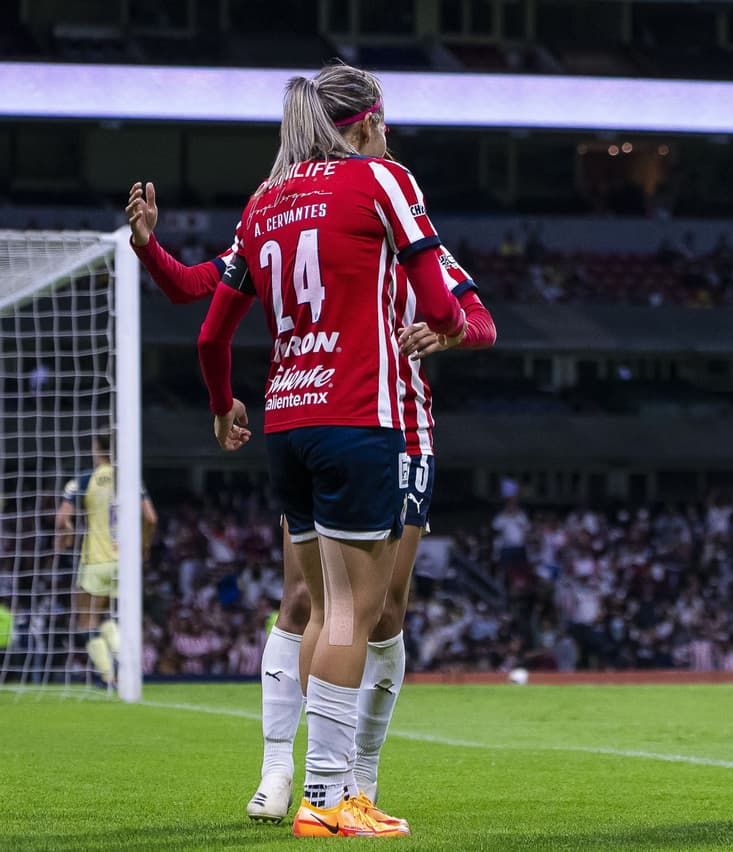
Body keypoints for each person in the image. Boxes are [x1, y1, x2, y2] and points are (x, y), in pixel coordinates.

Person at [127, 173, 494, 826]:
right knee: (303, 600)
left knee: (384, 612)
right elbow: (197, 288)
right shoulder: (322, 232)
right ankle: (278, 772)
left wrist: (452, 332)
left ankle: (358, 780)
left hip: (403, 432)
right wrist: (151, 248)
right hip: (334, 418)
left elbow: (481, 322)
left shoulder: (417, 245)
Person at [197, 64, 471, 839]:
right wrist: (444, 327)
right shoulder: (381, 179)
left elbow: (212, 330)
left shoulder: (265, 200)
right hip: (358, 415)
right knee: (353, 609)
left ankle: (301, 781)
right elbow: (442, 301)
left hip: (286, 419)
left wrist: (224, 409)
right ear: (368, 121)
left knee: (313, 606)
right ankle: (327, 797)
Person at [55, 432, 157, 687]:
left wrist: (66, 536)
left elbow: (62, 519)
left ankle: (110, 675)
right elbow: (151, 518)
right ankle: (128, 669)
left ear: (95, 447)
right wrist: (143, 546)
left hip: (95, 560)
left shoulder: (83, 479)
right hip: (124, 562)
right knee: (107, 618)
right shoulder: (131, 479)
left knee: (86, 621)